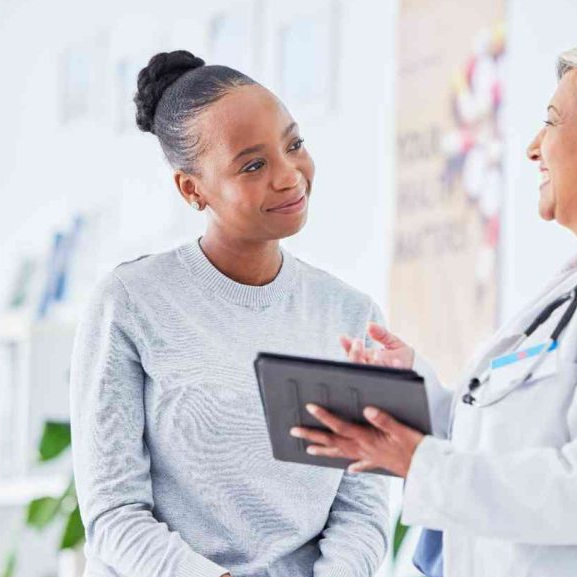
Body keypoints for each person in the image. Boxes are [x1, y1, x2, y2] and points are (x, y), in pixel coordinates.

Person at [292, 34, 577, 576]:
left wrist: (420, 463)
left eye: (552, 121)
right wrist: (412, 391)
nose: (532, 147)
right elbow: (506, 440)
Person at [70, 50, 389, 577]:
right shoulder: (128, 302)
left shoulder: (351, 315)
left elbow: (363, 506)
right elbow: (113, 513)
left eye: (295, 145)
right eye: (254, 165)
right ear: (192, 189)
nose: (290, 176)